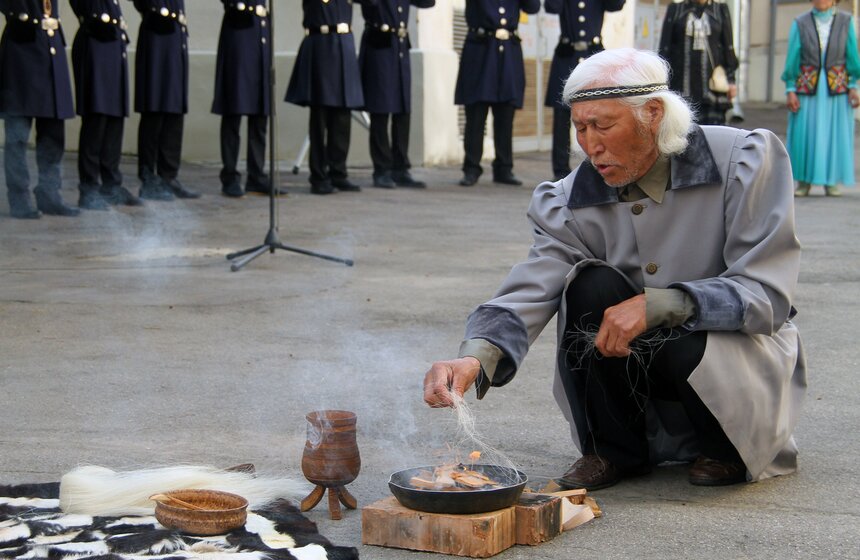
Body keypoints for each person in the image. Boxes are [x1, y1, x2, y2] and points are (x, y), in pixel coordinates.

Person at [424, 48, 806, 491]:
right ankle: (611, 450)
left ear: (653, 114)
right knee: (589, 285)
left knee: (685, 328)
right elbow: (533, 284)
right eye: (580, 127)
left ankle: (723, 448)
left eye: (603, 126)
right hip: (642, 370)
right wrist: (476, 355)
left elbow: (766, 293)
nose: (591, 146)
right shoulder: (569, 199)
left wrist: (661, 304)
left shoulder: (742, 161)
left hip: (733, 370)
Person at [0, 0, 79, 218]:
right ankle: (19, 199)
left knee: (53, 133)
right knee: (18, 136)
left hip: (50, 50)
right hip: (22, 50)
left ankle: (49, 194)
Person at [455, 0, 541, 187]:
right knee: (476, 114)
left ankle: (504, 167)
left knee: (506, 113)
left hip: (508, 51)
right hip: (481, 49)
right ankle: (471, 167)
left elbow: (533, 7)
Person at [782, 0, 860, 198]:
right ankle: (803, 181)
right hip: (807, 87)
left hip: (837, 88)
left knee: (833, 134)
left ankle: (830, 180)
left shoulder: (846, 21)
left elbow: (852, 56)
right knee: (805, 133)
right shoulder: (800, 22)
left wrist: (853, 86)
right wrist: (790, 89)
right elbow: (792, 58)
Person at [286, 0, 364, 195]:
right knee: (320, 116)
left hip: (344, 43)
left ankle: (338, 172)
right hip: (320, 43)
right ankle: (319, 176)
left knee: (343, 115)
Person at [544, 0, 625, 181]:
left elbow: (616, 5)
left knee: (598, 115)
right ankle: (560, 170)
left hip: (592, 56)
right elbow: (552, 7)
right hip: (567, 55)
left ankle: (598, 164)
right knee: (561, 116)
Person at [70, 0, 141, 210]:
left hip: (113, 45)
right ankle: (89, 188)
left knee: (114, 117)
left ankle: (111, 184)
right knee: (96, 116)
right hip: (95, 43)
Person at [358, 0, 434, 189]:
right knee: (380, 111)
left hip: (400, 47)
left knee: (403, 110)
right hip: (380, 45)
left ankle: (400, 168)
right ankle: (381, 169)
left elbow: (427, 2)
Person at [212, 1, 284, 198]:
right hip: (240, 32)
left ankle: (256, 176)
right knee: (233, 110)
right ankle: (230, 176)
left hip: (260, 34)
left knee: (260, 113)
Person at [130, 0, 200, 200]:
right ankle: (148, 178)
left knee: (174, 108)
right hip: (157, 36)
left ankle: (168, 176)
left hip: (175, 37)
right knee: (154, 108)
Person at [658, 0, 738, 126]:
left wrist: (731, 80)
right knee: (683, 130)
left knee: (713, 132)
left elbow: (728, 48)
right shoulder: (676, 10)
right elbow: (665, 49)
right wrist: (662, 82)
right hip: (681, 86)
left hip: (712, 88)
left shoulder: (720, 10)